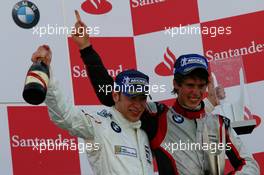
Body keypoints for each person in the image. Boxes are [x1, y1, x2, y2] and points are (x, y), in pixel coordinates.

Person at [72, 11, 260, 174]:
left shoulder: (219, 124)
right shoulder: (157, 116)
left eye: (201, 85)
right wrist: (86, 49)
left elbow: (249, 165)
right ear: (176, 84)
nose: (196, 92)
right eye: (190, 85)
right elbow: (109, 96)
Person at [31, 44, 156, 175]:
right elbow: (65, 115)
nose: (137, 105)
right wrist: (45, 71)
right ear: (115, 95)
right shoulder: (99, 124)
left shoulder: (144, 133)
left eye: (142, 98)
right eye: (132, 98)